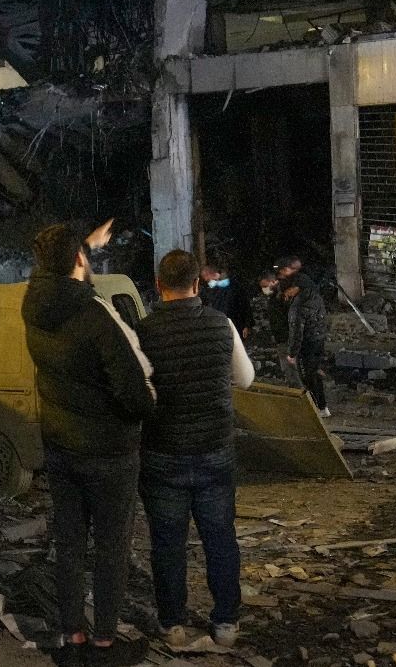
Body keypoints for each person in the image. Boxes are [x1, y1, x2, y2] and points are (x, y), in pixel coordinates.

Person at [21, 220, 156, 667]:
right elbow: (135, 393)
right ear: (79, 259)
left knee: (70, 544)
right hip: (107, 452)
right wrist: (146, 406)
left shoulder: (34, 305)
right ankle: (104, 644)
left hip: (61, 446)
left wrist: (84, 244)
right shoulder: (95, 315)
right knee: (111, 547)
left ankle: (71, 637)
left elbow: (59, 276)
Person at [135, 250, 255, 650]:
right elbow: (246, 379)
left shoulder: (144, 332)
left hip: (162, 452)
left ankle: (172, 623)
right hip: (214, 449)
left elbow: (137, 390)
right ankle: (226, 623)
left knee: (167, 544)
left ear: (158, 285)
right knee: (220, 538)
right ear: (197, 283)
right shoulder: (221, 324)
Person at [275, 257, 329, 418]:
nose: (286, 296)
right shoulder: (315, 296)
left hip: (307, 344)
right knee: (315, 373)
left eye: (286, 292)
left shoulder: (297, 307)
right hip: (319, 339)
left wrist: (291, 354)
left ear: (292, 289)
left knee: (308, 377)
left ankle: (317, 409)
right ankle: (322, 406)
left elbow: (296, 332)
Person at [200, 263, 251, 338]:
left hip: (235, 324)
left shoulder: (234, 286)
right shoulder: (211, 290)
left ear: (212, 274)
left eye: (206, 277)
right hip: (221, 326)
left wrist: (246, 324)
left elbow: (244, 304)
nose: (205, 280)